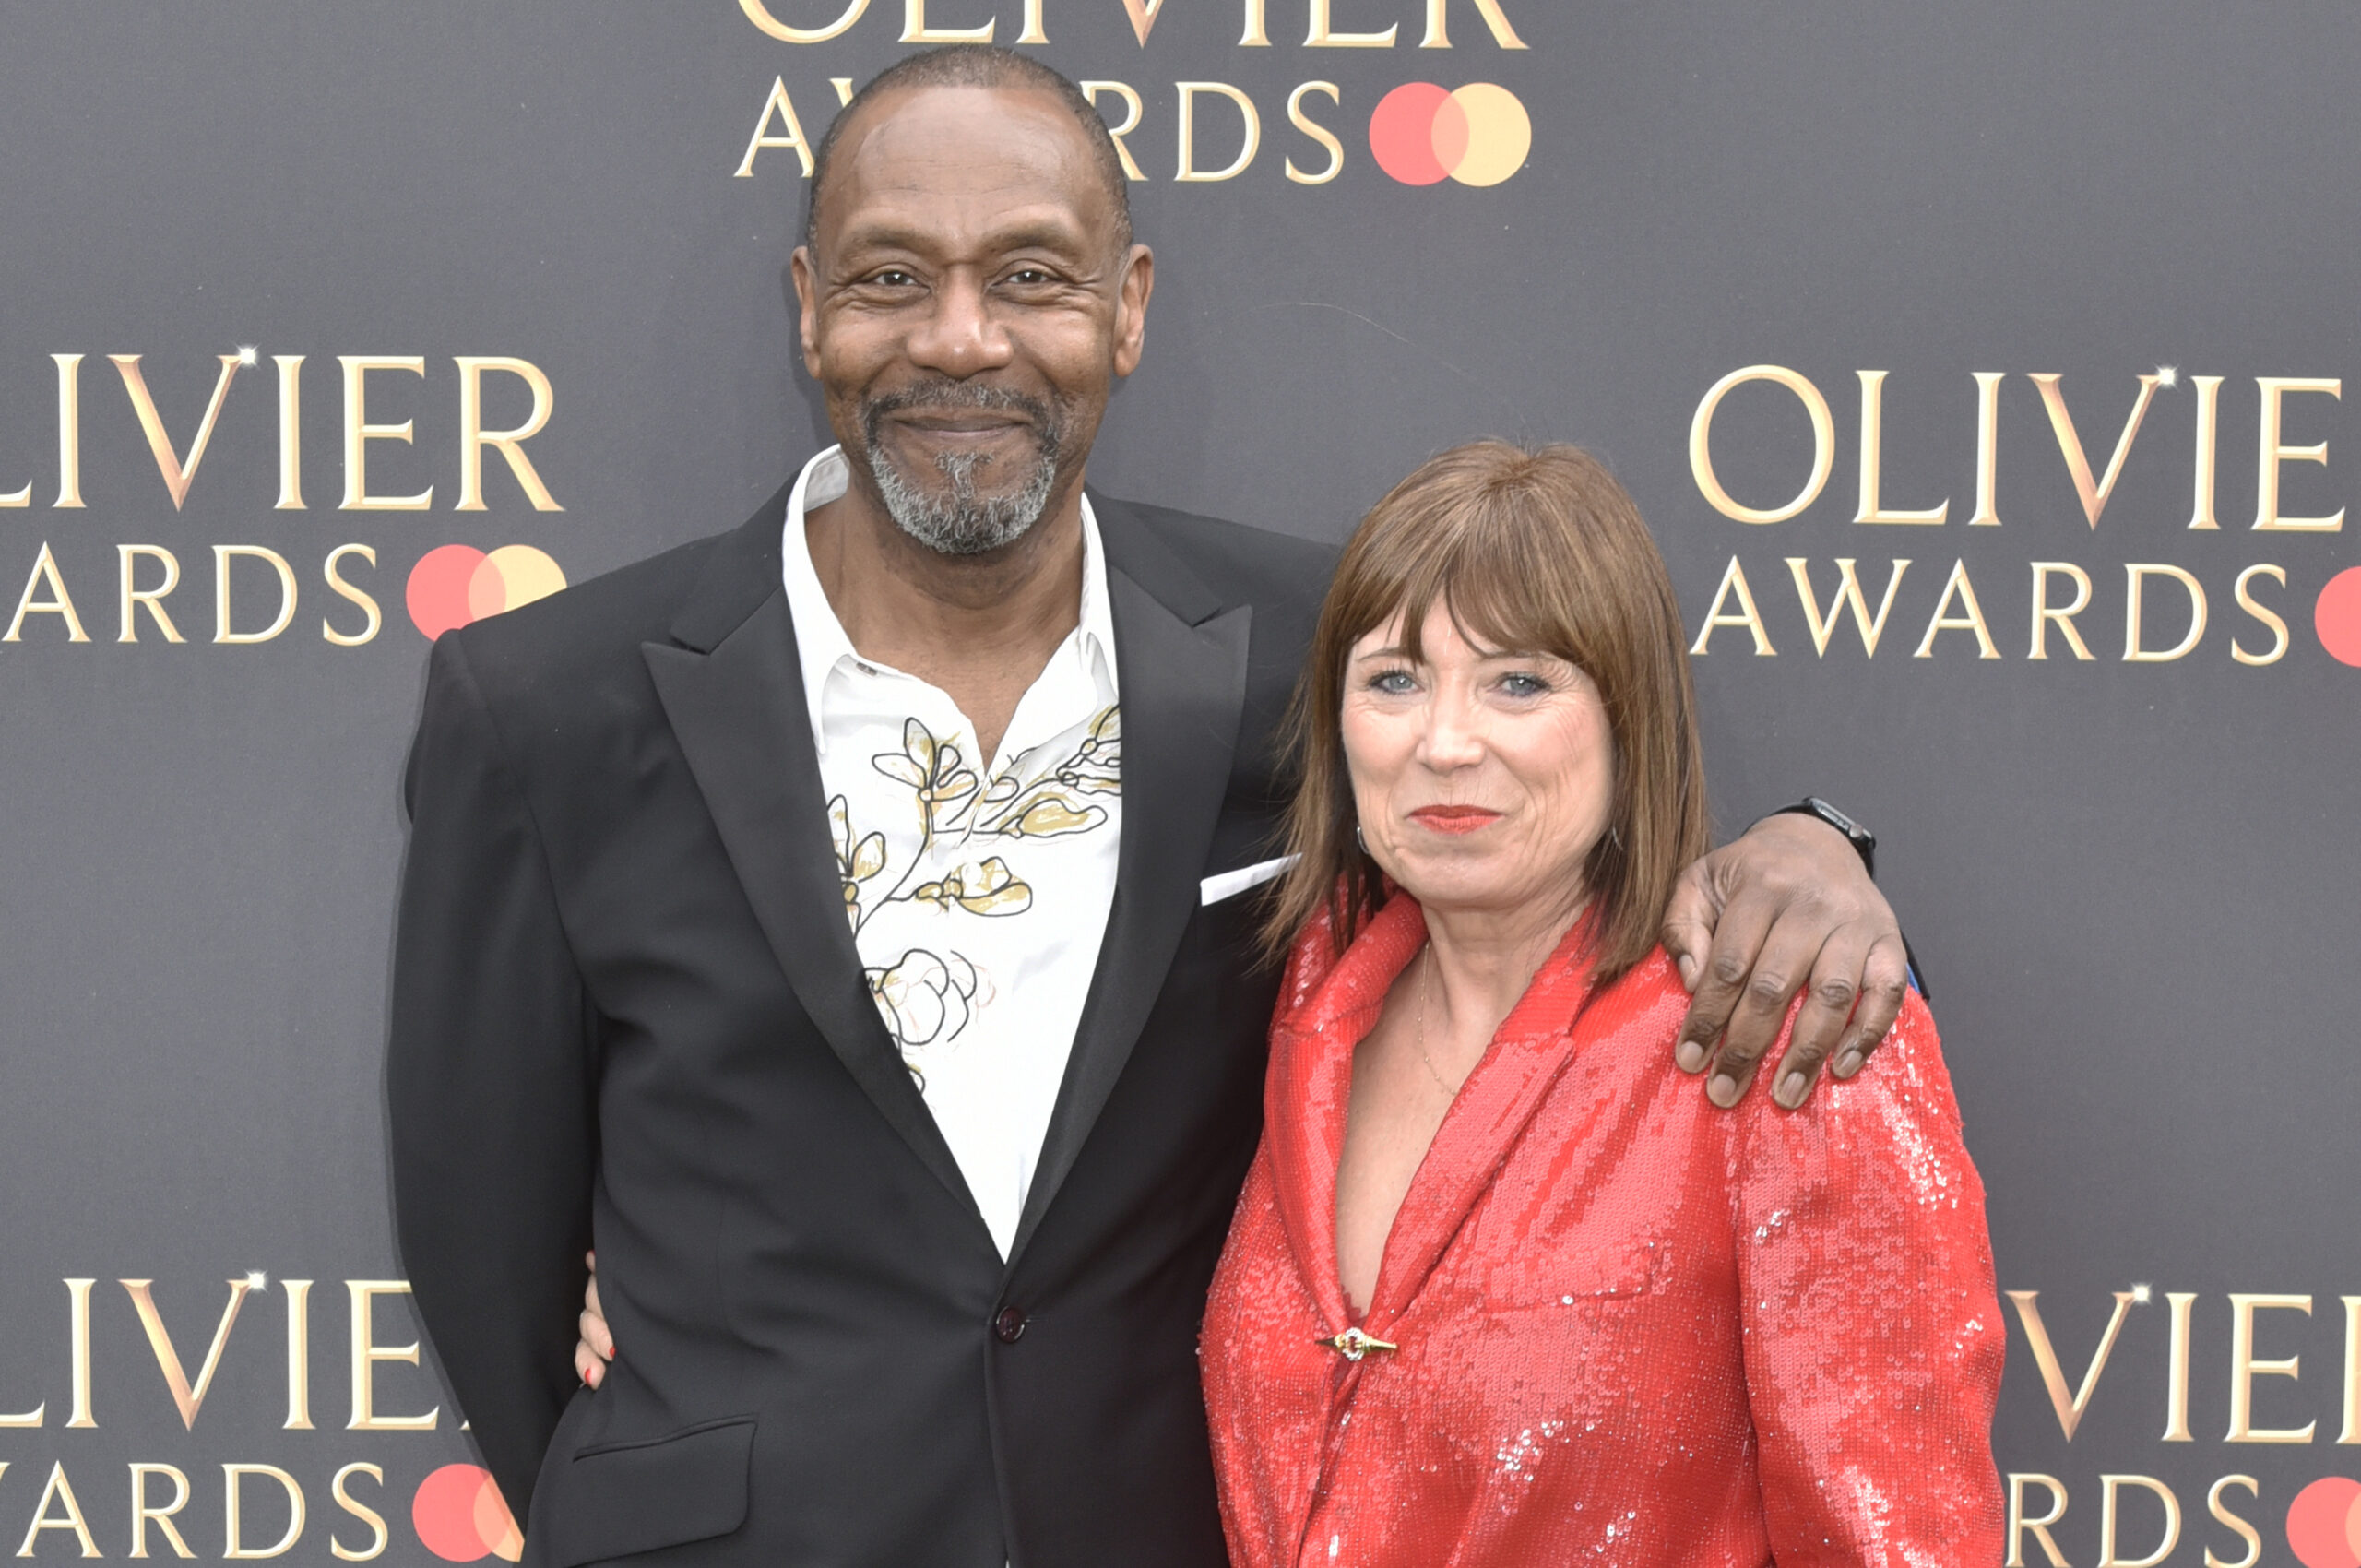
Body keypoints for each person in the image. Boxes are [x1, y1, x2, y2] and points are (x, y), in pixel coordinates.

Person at [388, 45, 1915, 1568]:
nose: (962, 338)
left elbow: (1539, 828)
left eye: (1032, 275)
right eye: (891, 278)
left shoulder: (1305, 659)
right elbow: (484, 1245)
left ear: (1126, 309)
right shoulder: (547, 706)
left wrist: (1810, 845)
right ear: (808, 308)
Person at [1196, 442, 2001, 1564]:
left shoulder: (1784, 1030)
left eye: (1518, 681)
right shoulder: (1297, 1004)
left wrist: (1820, 836)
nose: (1444, 739)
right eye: (1393, 678)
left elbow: (1898, 1538)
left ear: (1629, 719)